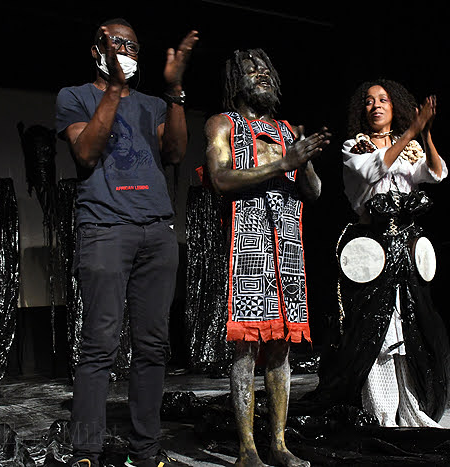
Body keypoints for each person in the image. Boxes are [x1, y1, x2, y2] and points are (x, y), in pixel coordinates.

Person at [54, 17, 198, 467]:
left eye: (133, 46)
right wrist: (114, 88)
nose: (125, 52)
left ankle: (145, 450)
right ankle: (86, 451)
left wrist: (175, 92)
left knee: (153, 347)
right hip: (104, 229)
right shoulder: (74, 96)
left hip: (157, 231)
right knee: (99, 345)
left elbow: (175, 153)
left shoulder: (154, 104)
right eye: (116, 44)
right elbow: (85, 153)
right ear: (96, 49)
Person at [204, 48, 330, 467]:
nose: (262, 75)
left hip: (288, 247)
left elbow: (314, 192)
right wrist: (283, 164)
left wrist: (303, 163)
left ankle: (278, 444)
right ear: (234, 81)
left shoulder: (285, 129)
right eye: (251, 69)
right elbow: (220, 178)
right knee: (245, 349)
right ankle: (247, 450)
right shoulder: (223, 124)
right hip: (246, 246)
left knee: (280, 350)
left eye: (266, 69)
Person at [307, 79, 450, 428]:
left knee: (407, 326)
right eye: (370, 101)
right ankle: (381, 413)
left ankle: (411, 408)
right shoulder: (355, 147)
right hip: (371, 249)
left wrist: (425, 135)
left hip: (406, 248)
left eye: (383, 100)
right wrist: (412, 131)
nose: (376, 106)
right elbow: (375, 169)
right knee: (376, 329)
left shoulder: (411, 146)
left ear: (394, 106)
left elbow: (437, 174)